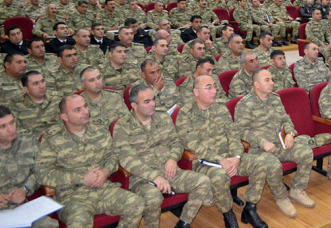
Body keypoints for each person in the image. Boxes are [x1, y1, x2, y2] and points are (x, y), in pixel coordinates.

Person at [176, 75, 297, 227]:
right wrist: (221, 160)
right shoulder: (185, 114)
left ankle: (250, 207)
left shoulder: (220, 108)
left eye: (215, 86)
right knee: (220, 177)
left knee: (263, 163)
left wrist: (237, 156)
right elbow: (193, 145)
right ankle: (228, 214)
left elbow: (234, 135)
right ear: (196, 92)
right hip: (205, 163)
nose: (214, 91)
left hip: (230, 157)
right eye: (209, 88)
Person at [112, 85, 214, 228]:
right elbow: (126, 159)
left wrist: (173, 158)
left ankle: (183, 223)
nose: (153, 104)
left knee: (203, 181)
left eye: (153, 99)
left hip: (170, 171)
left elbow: (176, 142)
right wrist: (154, 176)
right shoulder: (122, 126)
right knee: (153, 197)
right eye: (147, 101)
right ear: (134, 105)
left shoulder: (162, 117)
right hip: (142, 178)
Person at [36, 95, 145, 228]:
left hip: (104, 188)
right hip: (72, 196)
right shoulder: (52, 138)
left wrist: (106, 171)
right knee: (79, 221)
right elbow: (42, 174)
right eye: (78, 110)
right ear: (64, 117)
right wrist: (81, 178)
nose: (85, 111)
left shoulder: (99, 129)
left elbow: (112, 155)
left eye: (85, 106)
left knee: (137, 203)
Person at [235, 69, 316, 209]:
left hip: (280, 143)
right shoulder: (244, 104)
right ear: (256, 84)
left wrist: (290, 133)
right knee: (274, 165)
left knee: (306, 152)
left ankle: (297, 190)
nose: (272, 83)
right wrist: (262, 142)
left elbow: (285, 119)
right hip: (260, 150)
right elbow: (241, 131)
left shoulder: (275, 98)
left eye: (271, 79)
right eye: (267, 80)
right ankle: (281, 197)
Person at [0, 105, 60, 228]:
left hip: (24, 206)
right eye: (3, 126)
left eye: (12, 122)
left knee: (49, 225)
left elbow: (42, 169)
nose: (11, 129)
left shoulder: (27, 139)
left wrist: (25, 189)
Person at [9, 71, 62, 137]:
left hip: (58, 139)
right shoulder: (16, 105)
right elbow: (15, 130)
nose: (41, 86)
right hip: (31, 142)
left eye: (42, 81)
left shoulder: (57, 98)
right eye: (36, 83)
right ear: (26, 89)